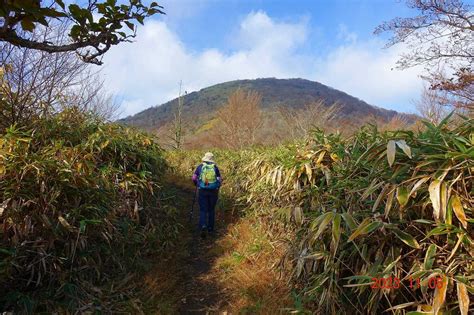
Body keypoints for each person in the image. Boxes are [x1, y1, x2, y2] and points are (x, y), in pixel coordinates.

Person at [192, 152, 222, 237]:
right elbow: (219, 180)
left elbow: (194, 178)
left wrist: (197, 184)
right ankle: (210, 228)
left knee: (203, 209)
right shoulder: (215, 168)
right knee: (211, 209)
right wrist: (217, 186)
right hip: (213, 191)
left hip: (202, 190)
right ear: (212, 160)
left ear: (204, 158)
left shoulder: (200, 167)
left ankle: (203, 225)